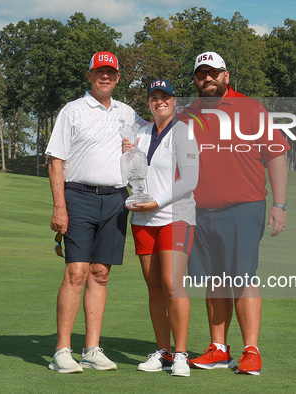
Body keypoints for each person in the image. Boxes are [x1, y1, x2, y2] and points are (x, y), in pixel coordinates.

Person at [184, 52, 290, 376]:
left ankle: (251, 351)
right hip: (200, 211)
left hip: (244, 208)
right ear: (196, 79)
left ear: (226, 76)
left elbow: (276, 155)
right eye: (202, 74)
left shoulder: (250, 108)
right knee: (214, 279)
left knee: (242, 277)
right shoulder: (187, 116)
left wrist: (280, 204)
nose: (208, 79)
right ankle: (218, 349)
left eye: (214, 73)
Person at [45, 51, 146, 373]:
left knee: (100, 274)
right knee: (76, 272)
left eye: (111, 73)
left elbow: (158, 130)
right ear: (89, 75)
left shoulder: (127, 113)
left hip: (116, 199)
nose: (105, 77)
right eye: (99, 72)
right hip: (78, 196)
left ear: (118, 78)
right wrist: (60, 207)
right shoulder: (72, 111)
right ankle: (62, 350)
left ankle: (91, 349)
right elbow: (56, 161)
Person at [124, 79, 199, 377]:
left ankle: (181, 354)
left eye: (164, 96)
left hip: (174, 216)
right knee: (154, 287)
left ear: (174, 100)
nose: (159, 102)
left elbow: (189, 181)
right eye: (154, 97)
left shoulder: (184, 132)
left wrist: (155, 202)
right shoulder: (140, 133)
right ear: (149, 103)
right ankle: (163, 351)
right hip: (142, 220)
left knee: (172, 284)